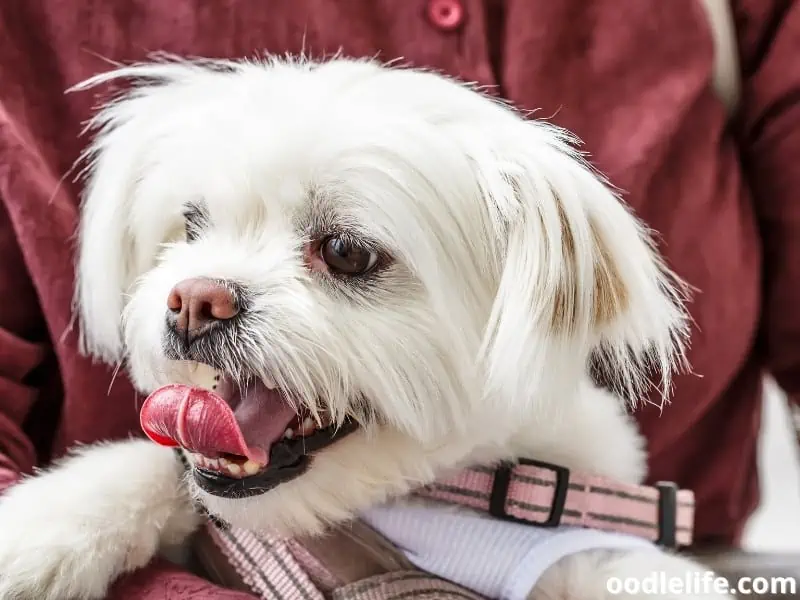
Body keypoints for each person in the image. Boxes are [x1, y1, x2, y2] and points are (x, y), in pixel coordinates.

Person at [0, 0, 797, 596]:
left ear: (539, 302)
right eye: (195, 225)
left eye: (345, 255)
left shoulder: (589, 554)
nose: (198, 295)